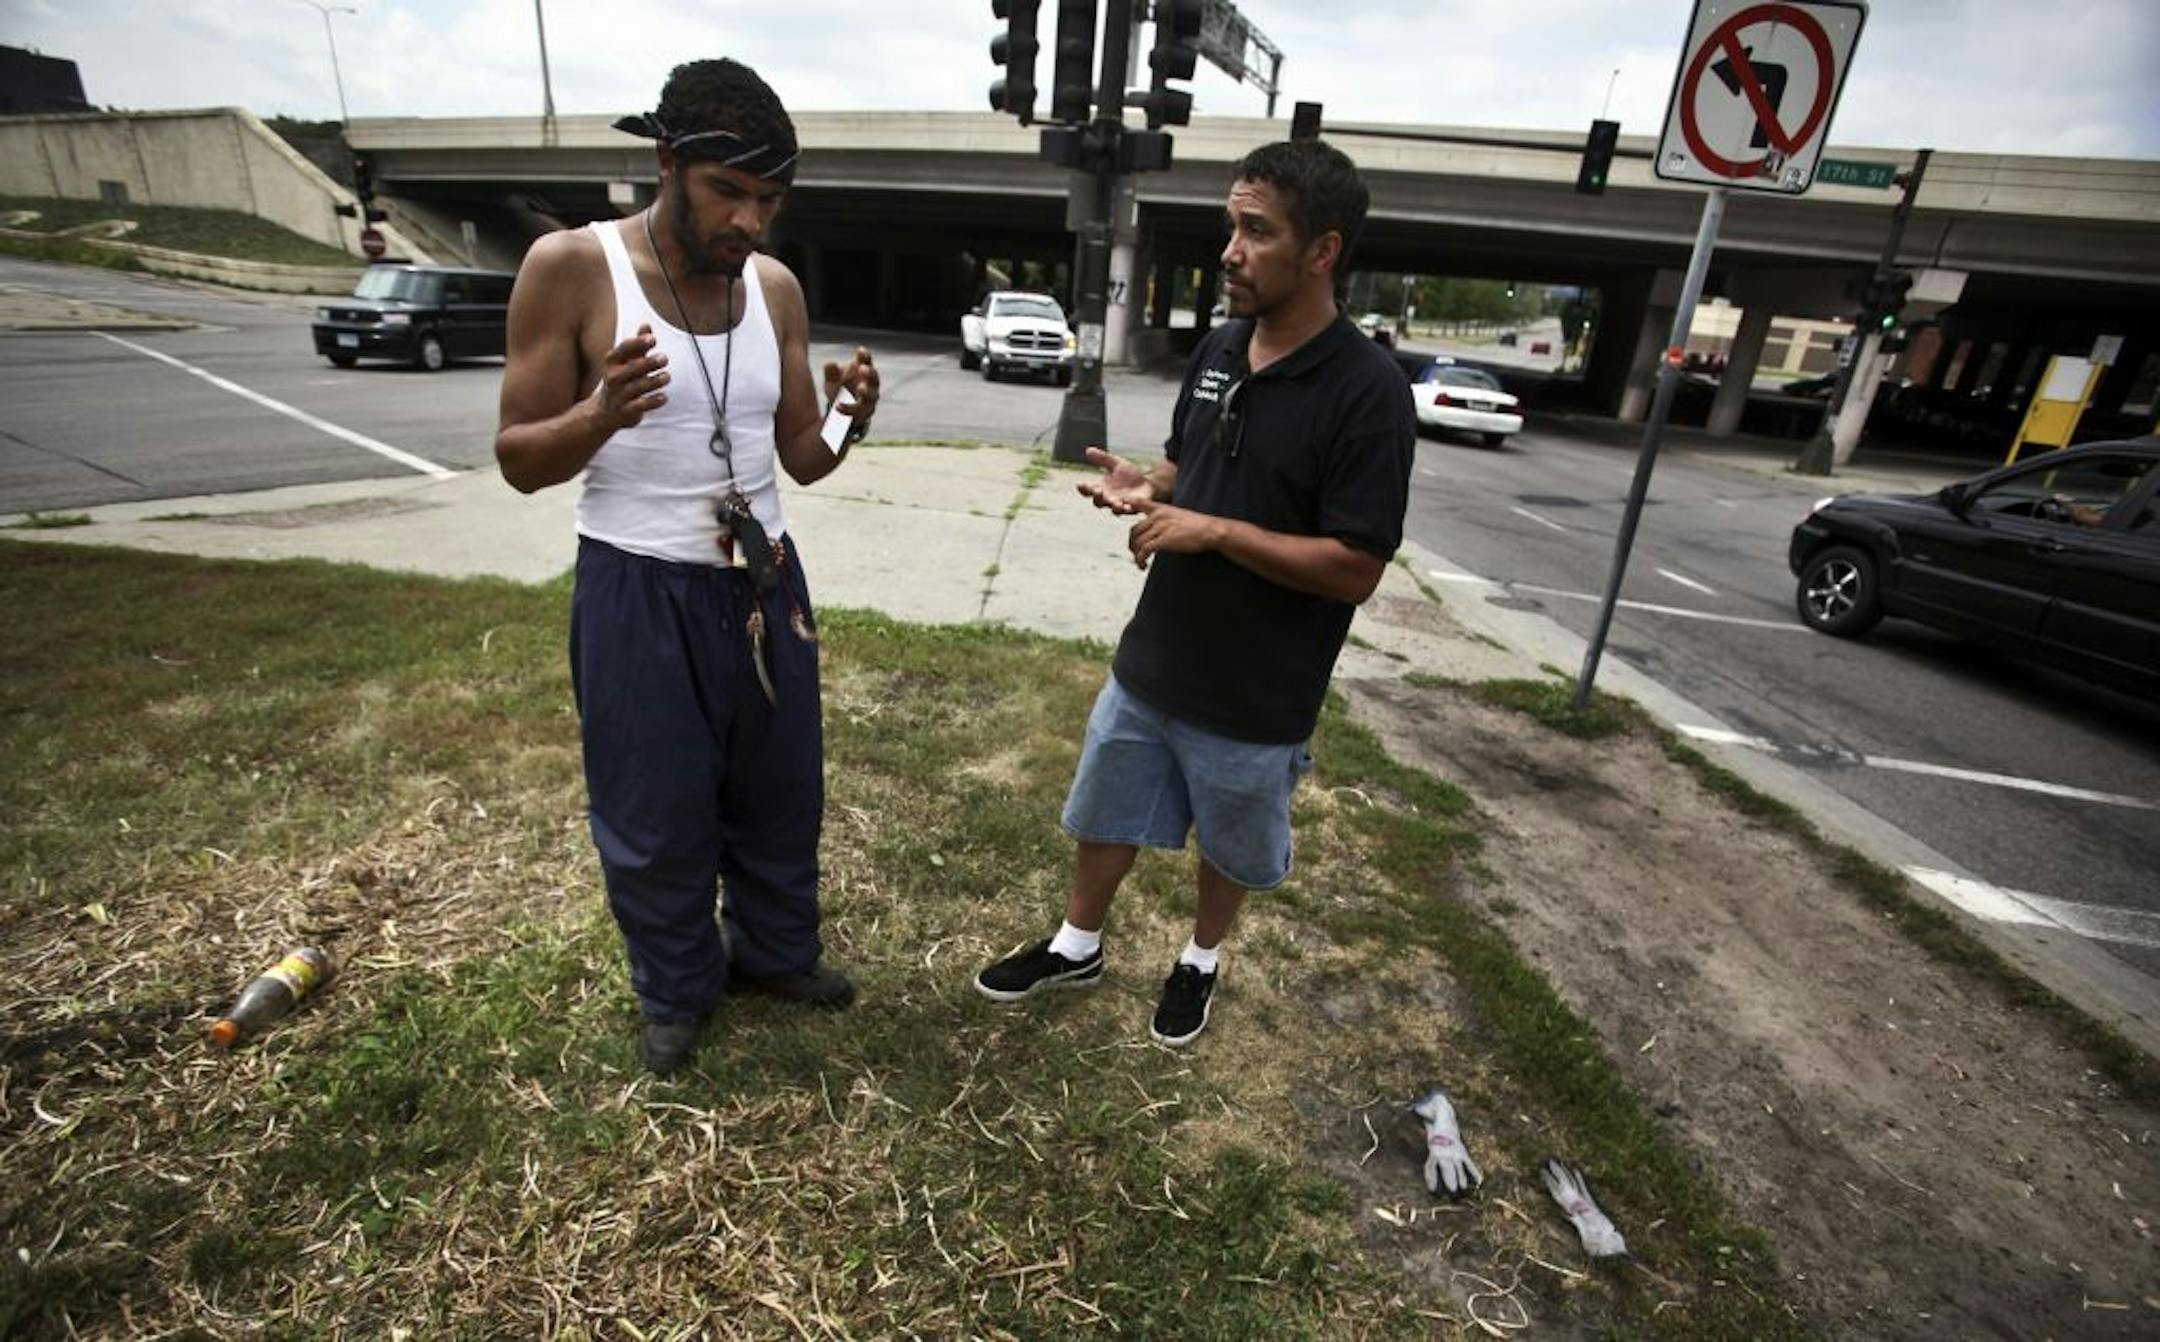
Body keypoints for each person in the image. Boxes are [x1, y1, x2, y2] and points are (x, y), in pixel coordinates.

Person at [974, 139, 1413, 1046]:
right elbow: (1193, 467)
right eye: (1230, 226)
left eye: (1256, 231)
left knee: (1231, 838)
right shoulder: (1217, 348)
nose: (1230, 250)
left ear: (1322, 251)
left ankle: (1201, 959)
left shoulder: (1368, 394)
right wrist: (1152, 485)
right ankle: (1076, 942)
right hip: (1158, 654)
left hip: (1259, 692)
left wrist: (1211, 531)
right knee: (1107, 807)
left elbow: (1356, 565)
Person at [493, 59, 878, 1076]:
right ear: (667, 162)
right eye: (728, 192)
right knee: (655, 805)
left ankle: (777, 953)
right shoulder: (571, 268)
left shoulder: (776, 289)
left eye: (770, 199)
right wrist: (599, 414)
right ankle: (676, 987)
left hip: (763, 581)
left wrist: (850, 416)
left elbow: (804, 455)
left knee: (781, 789)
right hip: (637, 584)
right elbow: (519, 458)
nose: (750, 221)